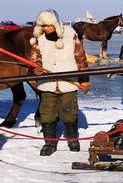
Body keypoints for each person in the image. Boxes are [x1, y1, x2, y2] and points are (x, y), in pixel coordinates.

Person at [28, 9, 90, 156]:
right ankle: (49, 143)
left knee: (70, 112)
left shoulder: (70, 36)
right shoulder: (39, 40)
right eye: (42, 26)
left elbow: (81, 59)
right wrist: (35, 69)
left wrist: (85, 80)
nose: (45, 28)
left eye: (48, 25)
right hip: (47, 84)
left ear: (55, 24)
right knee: (47, 114)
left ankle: (73, 140)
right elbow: (34, 60)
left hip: (69, 83)